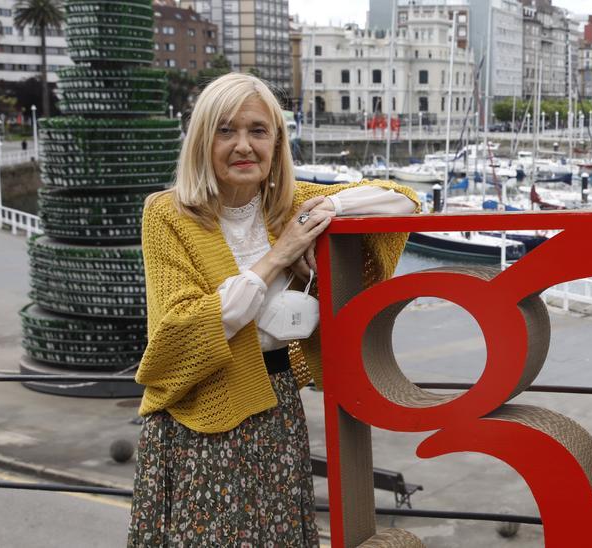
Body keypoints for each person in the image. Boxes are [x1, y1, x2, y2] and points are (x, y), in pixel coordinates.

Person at [126, 73, 418, 546]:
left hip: (276, 407)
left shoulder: (287, 205)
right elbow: (183, 329)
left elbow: (403, 202)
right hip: (201, 417)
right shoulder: (168, 214)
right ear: (203, 139)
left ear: (277, 141)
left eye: (258, 131)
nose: (243, 145)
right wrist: (280, 255)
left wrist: (324, 211)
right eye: (226, 130)